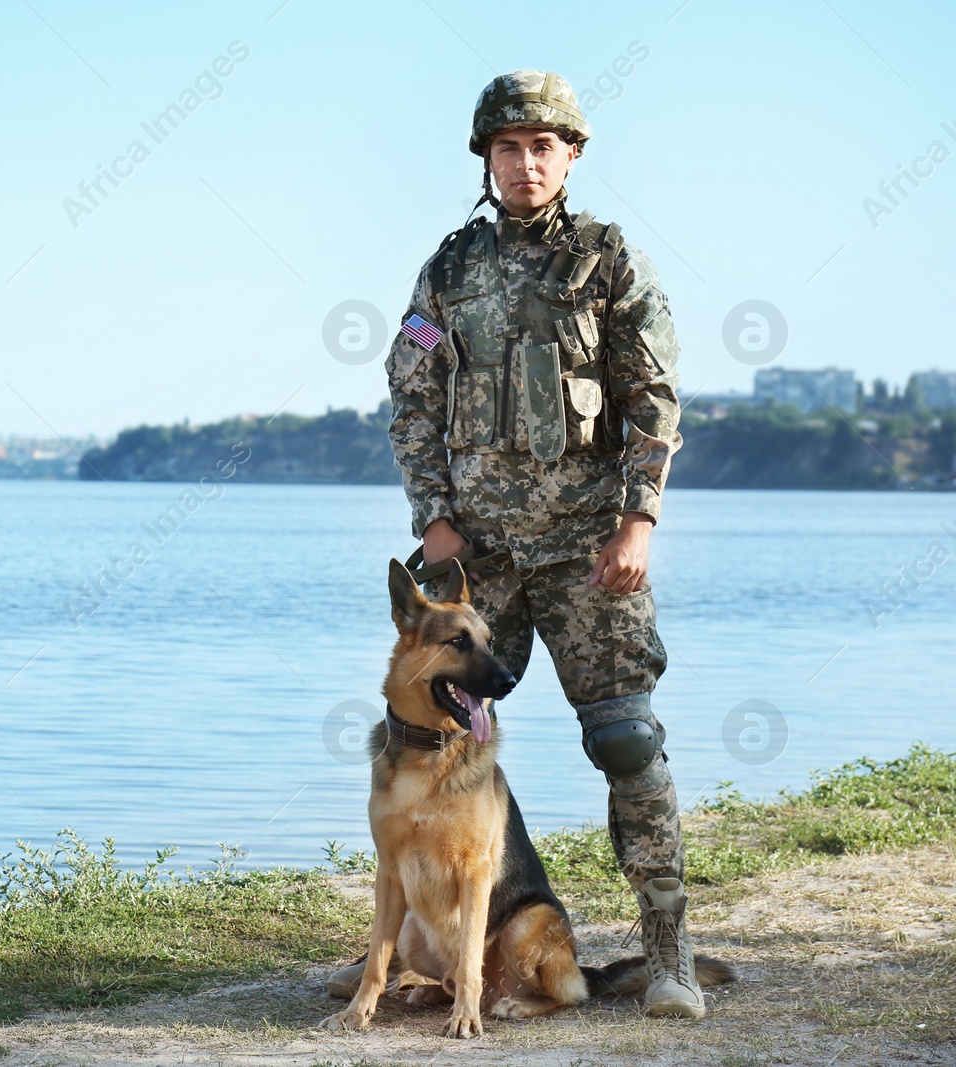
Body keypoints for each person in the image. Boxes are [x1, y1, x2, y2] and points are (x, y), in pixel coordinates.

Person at [385, 70, 702, 1016]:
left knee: (627, 741)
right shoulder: (447, 272)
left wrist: (638, 518)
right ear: (485, 160)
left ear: (571, 155)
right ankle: (433, 953)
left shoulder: (612, 264)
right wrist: (433, 518)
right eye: (507, 147)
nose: (525, 162)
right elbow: (411, 398)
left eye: (543, 146)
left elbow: (654, 401)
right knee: (435, 743)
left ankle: (670, 955)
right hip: (477, 563)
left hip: (588, 552)